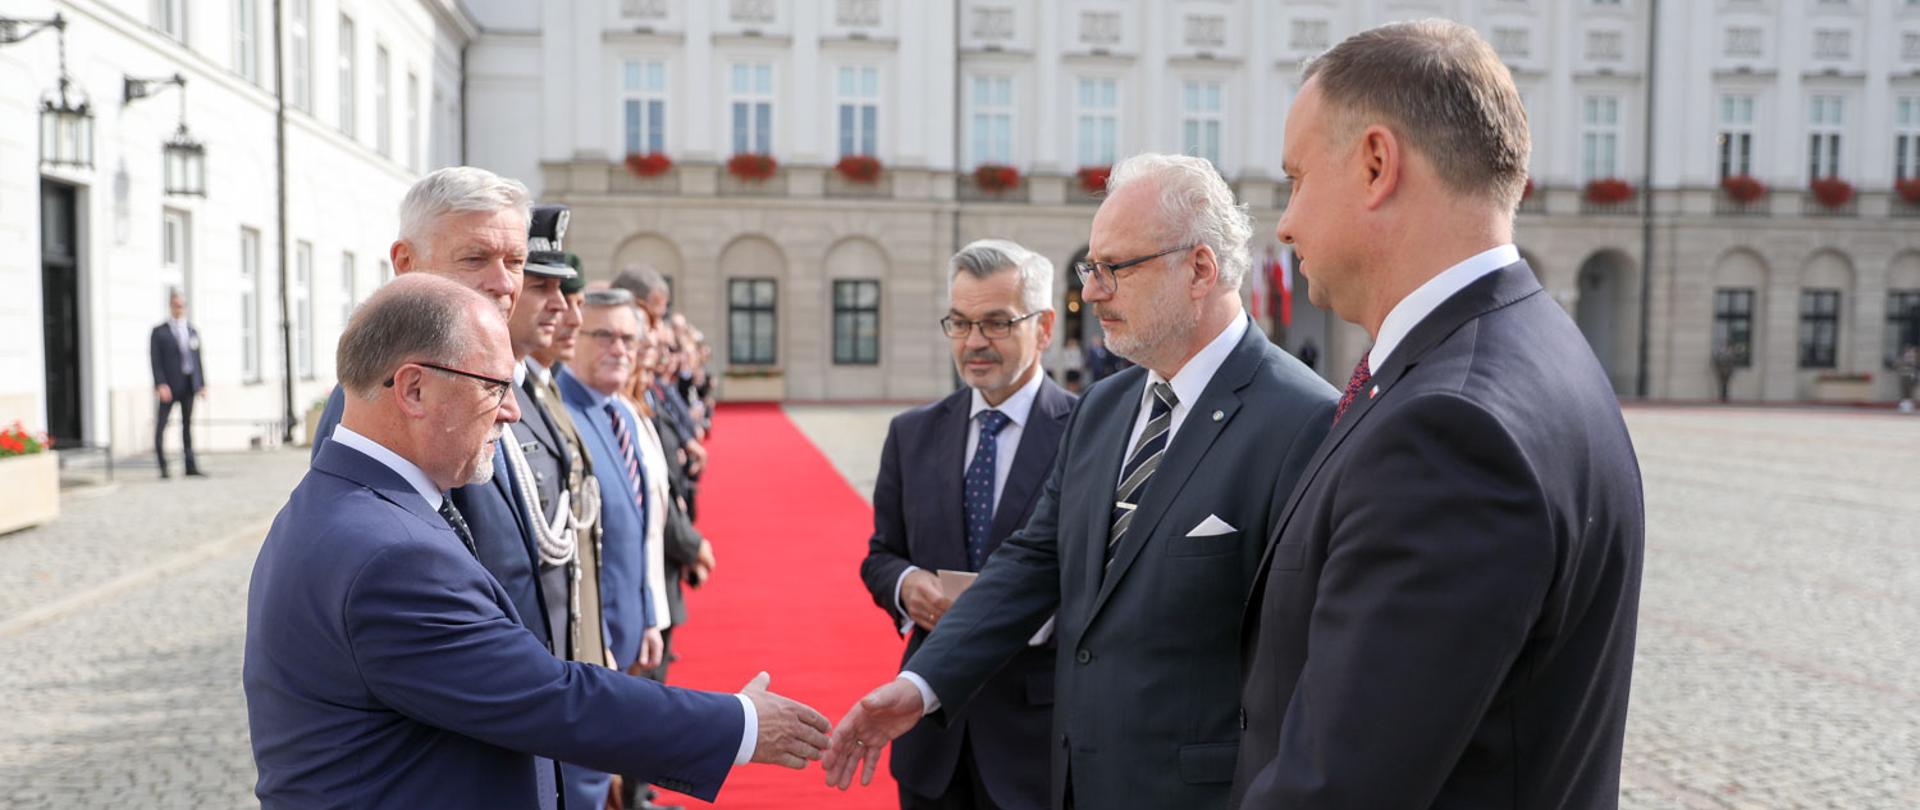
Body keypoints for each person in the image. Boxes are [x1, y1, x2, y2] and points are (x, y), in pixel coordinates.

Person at [826, 153, 1339, 810]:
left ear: (1200, 269)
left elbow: (1303, 665)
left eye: (1113, 269)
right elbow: (1032, 564)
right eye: (1089, 271)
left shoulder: (1304, 419)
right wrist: (923, 683)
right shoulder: (1104, 406)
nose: (1091, 293)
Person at [1231, 21, 1645, 809]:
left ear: (1376, 164)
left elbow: (1338, 789)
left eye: (1296, 179)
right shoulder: (1533, 343)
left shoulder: (1450, 428)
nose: (1284, 223)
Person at [244, 274, 831, 810]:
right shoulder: (391, 554)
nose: (512, 412)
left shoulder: (346, 501)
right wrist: (740, 725)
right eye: (494, 386)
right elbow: (550, 698)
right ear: (414, 390)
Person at [856, 240, 1078, 810]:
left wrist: (1019, 617)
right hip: (931, 737)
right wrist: (908, 588)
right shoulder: (913, 434)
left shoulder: (1088, 434)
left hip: (1036, 738)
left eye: (997, 323)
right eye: (960, 322)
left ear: (1045, 326)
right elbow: (881, 555)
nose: (974, 341)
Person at [150, 290, 206, 478]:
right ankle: (163, 467)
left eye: (181, 306)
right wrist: (160, 384)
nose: (179, 309)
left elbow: (198, 359)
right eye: (176, 305)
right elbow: (155, 360)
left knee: (187, 426)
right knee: (161, 426)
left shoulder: (191, 330)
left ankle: (190, 465)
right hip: (169, 386)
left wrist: (202, 383)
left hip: (188, 384)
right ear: (170, 306)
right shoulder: (160, 332)